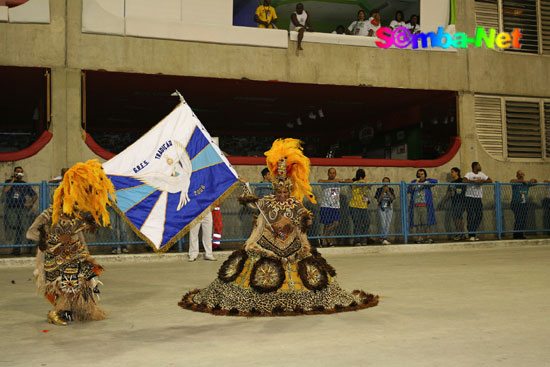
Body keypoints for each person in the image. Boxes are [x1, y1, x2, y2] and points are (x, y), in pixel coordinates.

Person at [178, 138, 378, 316]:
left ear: (289, 189)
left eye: (285, 191)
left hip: (293, 245)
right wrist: (245, 189)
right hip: (266, 244)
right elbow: (251, 203)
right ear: (275, 188)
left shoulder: (294, 203)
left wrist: (292, 222)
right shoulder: (267, 201)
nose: (282, 194)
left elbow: (306, 219)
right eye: (279, 191)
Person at [26, 160, 115, 325]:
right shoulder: (49, 214)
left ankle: (72, 310)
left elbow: (79, 238)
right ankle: (56, 312)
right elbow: (31, 232)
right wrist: (52, 240)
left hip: (73, 256)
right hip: (54, 257)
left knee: (84, 284)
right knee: (68, 284)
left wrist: (86, 256)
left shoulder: (75, 217)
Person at [4, 166, 37, 255]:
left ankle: (17, 249)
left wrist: (30, 203)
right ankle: (13, 246)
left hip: (21, 208)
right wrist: (13, 178)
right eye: (17, 171)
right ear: (14, 172)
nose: (19, 173)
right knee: (13, 225)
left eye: (21, 172)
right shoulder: (8, 182)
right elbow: (6, 190)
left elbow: (34, 195)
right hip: (11, 208)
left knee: (22, 227)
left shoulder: (24, 184)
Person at [318, 167, 348, 247]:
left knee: (335, 223)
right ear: (328, 174)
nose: (332, 174)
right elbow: (319, 181)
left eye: (333, 173)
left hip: (335, 206)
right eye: (330, 173)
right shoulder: (325, 182)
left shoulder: (338, 182)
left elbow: (350, 180)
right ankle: (328, 241)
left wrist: (342, 180)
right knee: (326, 224)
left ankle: (323, 235)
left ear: (335, 174)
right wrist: (332, 181)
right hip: (326, 206)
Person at [463, 162, 493, 241]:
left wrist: (482, 181)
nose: (480, 166)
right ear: (474, 166)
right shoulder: (469, 174)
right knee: (470, 215)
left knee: (479, 215)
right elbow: (464, 181)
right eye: (479, 165)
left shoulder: (481, 174)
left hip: (478, 198)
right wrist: (474, 181)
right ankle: (471, 235)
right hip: (469, 197)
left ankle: (473, 230)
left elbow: (490, 180)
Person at [408, 169, 437, 244]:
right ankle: (419, 237)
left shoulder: (427, 181)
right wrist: (416, 183)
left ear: (425, 175)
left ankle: (427, 237)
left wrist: (427, 181)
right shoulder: (414, 182)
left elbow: (435, 181)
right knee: (417, 223)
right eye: (419, 174)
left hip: (425, 205)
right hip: (415, 205)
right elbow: (409, 190)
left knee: (426, 222)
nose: (420, 176)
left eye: (422, 174)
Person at [510, 170, 537, 239]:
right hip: (516, 203)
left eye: (522, 174)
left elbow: (535, 183)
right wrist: (522, 181)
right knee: (518, 218)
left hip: (524, 204)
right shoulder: (515, 182)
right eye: (519, 174)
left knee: (523, 219)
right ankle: (516, 235)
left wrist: (533, 180)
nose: (521, 175)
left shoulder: (526, 183)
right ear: (517, 175)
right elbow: (511, 181)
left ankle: (520, 234)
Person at [442, 167, 467, 241]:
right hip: (454, 202)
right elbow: (449, 193)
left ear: (457, 172)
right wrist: (443, 201)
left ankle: (462, 233)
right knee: (455, 217)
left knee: (458, 217)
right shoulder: (452, 183)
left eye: (452, 172)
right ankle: (459, 232)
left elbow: (465, 190)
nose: (451, 173)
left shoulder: (462, 181)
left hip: (461, 201)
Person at [348, 169, 371, 246]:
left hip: (363, 207)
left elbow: (366, 193)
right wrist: (364, 181)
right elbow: (360, 183)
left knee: (366, 222)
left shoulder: (365, 185)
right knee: (357, 223)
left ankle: (363, 239)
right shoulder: (354, 183)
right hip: (355, 206)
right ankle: (357, 240)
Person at [374, 177, 395, 245]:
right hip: (382, 207)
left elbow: (392, 198)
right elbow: (378, 200)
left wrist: (388, 191)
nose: (385, 183)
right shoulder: (379, 189)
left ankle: (385, 237)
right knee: (383, 223)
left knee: (388, 223)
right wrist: (383, 191)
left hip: (389, 208)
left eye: (387, 181)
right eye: (384, 181)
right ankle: (382, 237)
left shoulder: (391, 189)